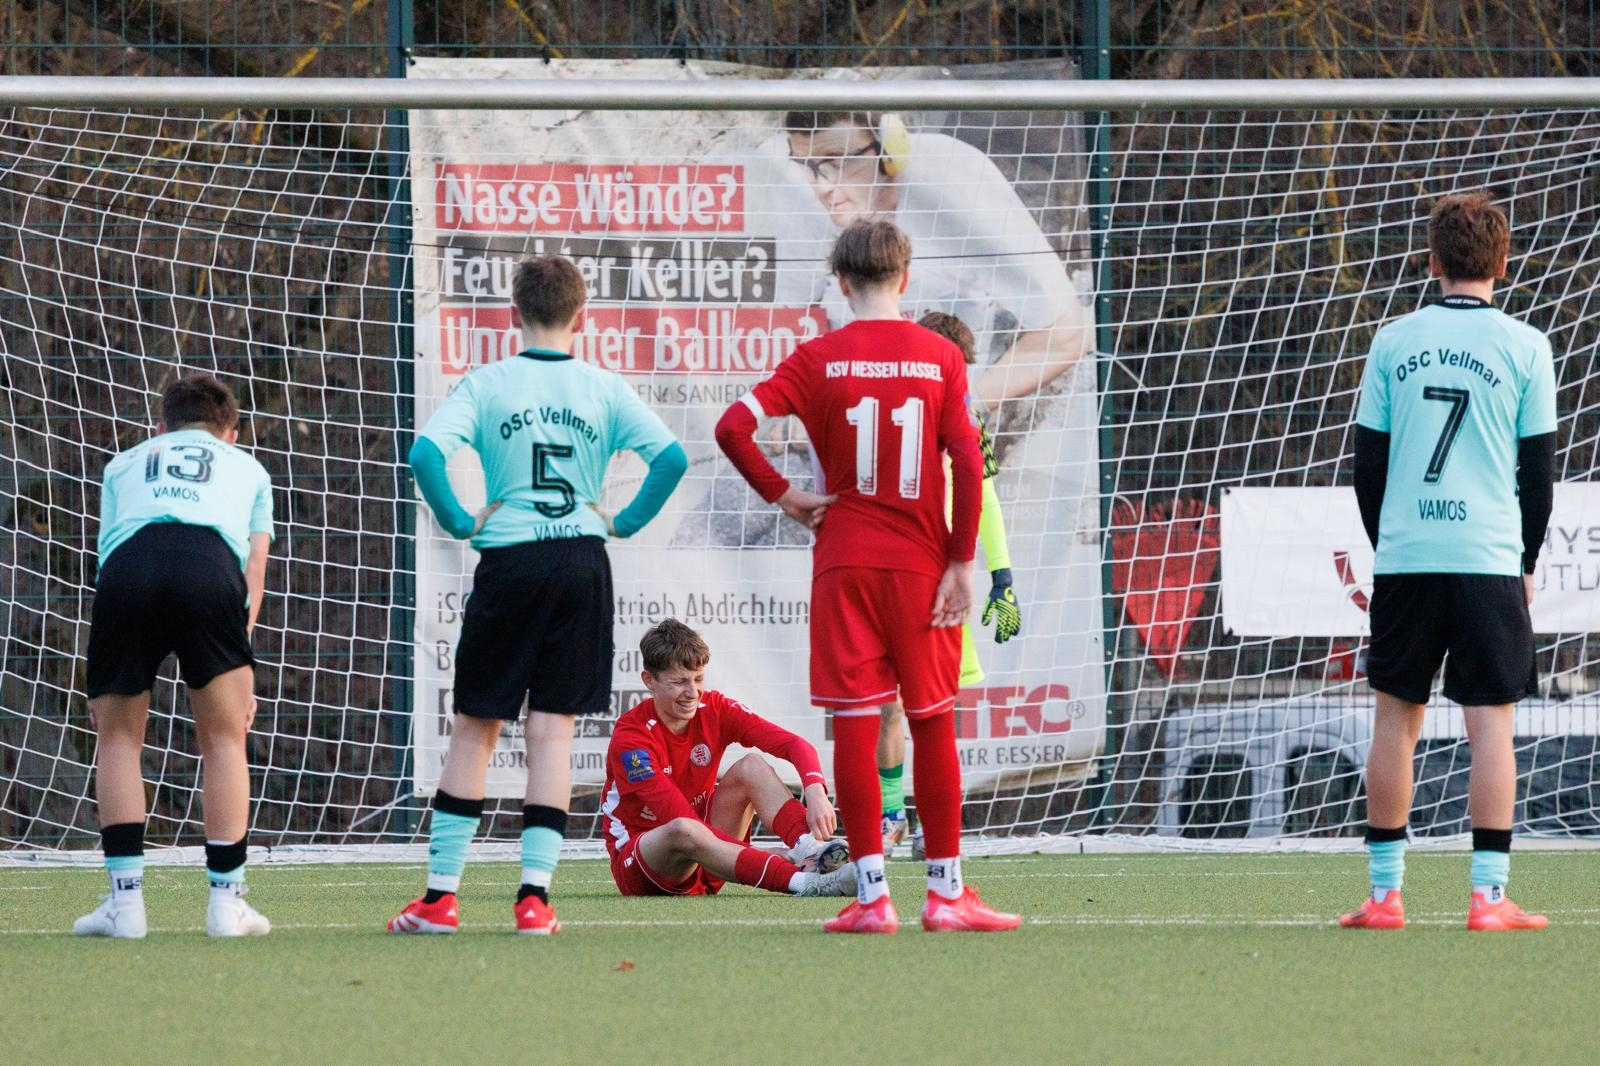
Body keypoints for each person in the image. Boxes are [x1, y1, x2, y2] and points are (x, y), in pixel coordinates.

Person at [716, 219, 1020, 934]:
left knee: (855, 724)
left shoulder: (817, 357)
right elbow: (967, 459)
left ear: (842, 281)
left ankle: (873, 898)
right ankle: (945, 895)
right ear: (905, 278)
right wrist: (962, 562)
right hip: (921, 566)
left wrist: (786, 497)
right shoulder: (940, 356)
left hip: (845, 561)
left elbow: (732, 427)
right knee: (932, 722)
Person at [388, 255, 688, 936]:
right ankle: (534, 900)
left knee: (476, 727)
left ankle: (439, 900)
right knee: (553, 732)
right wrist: (623, 522)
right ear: (582, 317)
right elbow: (671, 458)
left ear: (513, 315)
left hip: (510, 559)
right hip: (581, 561)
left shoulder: (487, 382)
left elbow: (425, 455)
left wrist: (460, 522)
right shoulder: (604, 387)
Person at [1341, 191, 1557, 932]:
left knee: (1395, 718)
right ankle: (1488, 900)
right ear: (1503, 262)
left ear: (1431, 261)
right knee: (1490, 724)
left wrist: (1393, 540)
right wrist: (1525, 558)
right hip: (1488, 558)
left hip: (1409, 556)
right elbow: (1539, 474)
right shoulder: (1528, 346)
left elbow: (1368, 466)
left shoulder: (1392, 342)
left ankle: (1384, 897)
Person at [75, 372, 274, 939]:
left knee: (116, 737)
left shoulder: (123, 464)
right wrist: (239, 665)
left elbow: (108, 558)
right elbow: (253, 573)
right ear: (231, 433)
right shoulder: (250, 469)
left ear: (160, 428)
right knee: (224, 737)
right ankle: (226, 906)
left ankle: (126, 907)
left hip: (129, 572)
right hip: (208, 568)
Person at [782, 110, 1093, 408]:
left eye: (837, 162)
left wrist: (964, 411)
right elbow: (788, 320)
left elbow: (1067, 332)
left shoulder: (952, 187)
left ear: (890, 149)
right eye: (807, 165)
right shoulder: (810, 207)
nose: (822, 187)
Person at [879, 312, 1022, 859]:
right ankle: (891, 817)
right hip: (892, 577)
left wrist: (1002, 575)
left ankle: (934, 828)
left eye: (961, 367)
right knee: (889, 705)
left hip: (945, 582)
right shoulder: (889, 410)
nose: (955, 375)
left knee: (935, 711)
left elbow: (983, 495)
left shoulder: (967, 416)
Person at [602, 619, 855, 898]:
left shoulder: (715, 708)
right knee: (683, 828)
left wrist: (815, 791)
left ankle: (810, 850)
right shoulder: (631, 740)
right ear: (649, 681)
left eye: (698, 679)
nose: (692, 692)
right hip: (645, 870)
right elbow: (681, 819)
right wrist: (754, 853)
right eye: (679, 682)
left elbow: (794, 744)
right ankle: (807, 883)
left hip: (710, 859)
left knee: (751, 766)